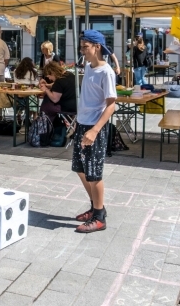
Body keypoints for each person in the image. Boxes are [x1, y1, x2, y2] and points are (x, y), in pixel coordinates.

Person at [71, 30, 117, 233]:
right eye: (81, 46)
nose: (82, 50)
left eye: (85, 47)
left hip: (94, 127)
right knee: (80, 169)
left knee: (94, 173)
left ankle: (99, 217)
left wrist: (95, 130)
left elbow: (111, 105)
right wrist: (77, 122)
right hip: (83, 123)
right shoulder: (89, 67)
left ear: (97, 47)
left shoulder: (106, 72)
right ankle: (95, 207)